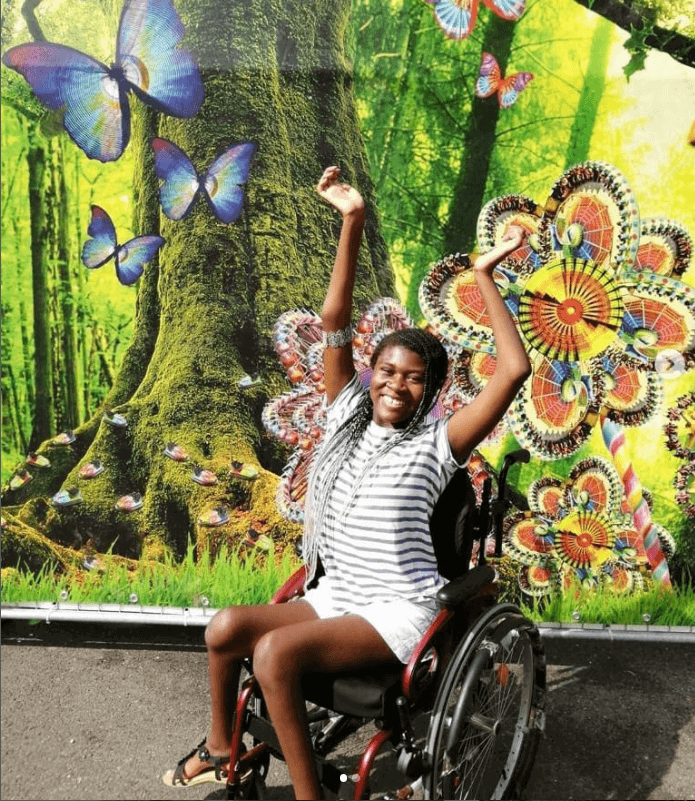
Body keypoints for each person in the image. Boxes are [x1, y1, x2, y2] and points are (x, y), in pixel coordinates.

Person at [163, 166, 531, 798]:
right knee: (224, 628)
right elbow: (334, 320)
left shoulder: (437, 444)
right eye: (387, 370)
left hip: (395, 611)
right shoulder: (345, 418)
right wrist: (351, 221)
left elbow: (514, 369)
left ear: (430, 390)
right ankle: (224, 747)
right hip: (336, 596)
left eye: (413, 377)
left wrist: (483, 277)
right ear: (371, 373)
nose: (396, 384)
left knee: (274, 655)